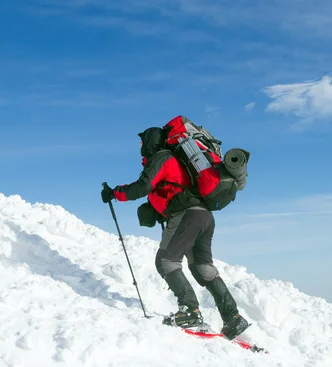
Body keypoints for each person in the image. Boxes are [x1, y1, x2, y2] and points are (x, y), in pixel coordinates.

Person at [101, 125, 251, 340]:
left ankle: (190, 311)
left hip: (186, 216)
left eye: (143, 142)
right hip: (204, 217)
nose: (141, 147)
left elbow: (142, 186)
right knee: (203, 269)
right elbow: (169, 189)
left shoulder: (162, 157)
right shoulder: (179, 163)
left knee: (166, 261)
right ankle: (233, 318)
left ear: (152, 141)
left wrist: (114, 193)